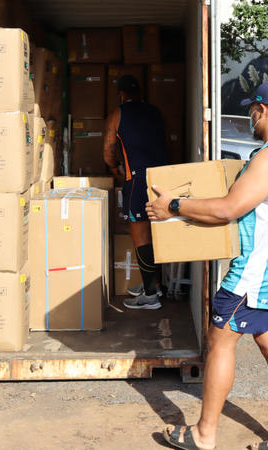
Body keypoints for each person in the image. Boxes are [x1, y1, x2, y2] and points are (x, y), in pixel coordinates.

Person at [146, 80, 268, 450]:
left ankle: (204, 434)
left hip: (258, 275)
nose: (250, 118)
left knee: (220, 340)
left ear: (261, 111)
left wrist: (174, 205)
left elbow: (228, 209)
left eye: (251, 111)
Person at [104, 75, 169, 310]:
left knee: (140, 236)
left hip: (138, 179)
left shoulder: (118, 113)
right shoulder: (156, 112)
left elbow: (108, 150)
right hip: (163, 179)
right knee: (157, 234)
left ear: (121, 94)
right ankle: (154, 284)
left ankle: (150, 295)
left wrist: (114, 169)